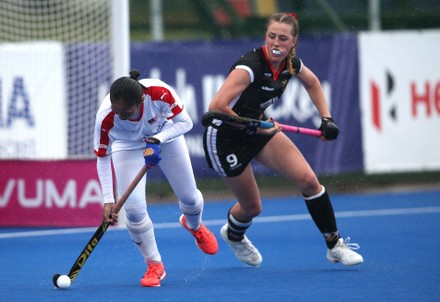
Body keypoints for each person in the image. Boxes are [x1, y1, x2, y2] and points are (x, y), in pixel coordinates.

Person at [202, 12, 363, 267]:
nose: (276, 43)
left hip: (258, 127)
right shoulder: (250, 67)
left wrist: (326, 118)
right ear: (265, 37)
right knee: (252, 208)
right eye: (271, 36)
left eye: (283, 38)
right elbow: (216, 106)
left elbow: (312, 83)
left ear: (293, 42)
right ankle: (234, 235)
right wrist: (256, 126)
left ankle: (335, 245)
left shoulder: (291, 65)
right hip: (225, 137)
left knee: (310, 181)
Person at [93, 70, 218, 287]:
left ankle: (195, 226)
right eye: (117, 111)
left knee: (189, 198)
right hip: (127, 146)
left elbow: (186, 123)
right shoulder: (105, 118)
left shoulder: (159, 93)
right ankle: (154, 264)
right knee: (133, 209)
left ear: (141, 100)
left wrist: (156, 139)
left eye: (126, 112)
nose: (121, 116)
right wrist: (108, 199)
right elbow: (103, 157)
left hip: (165, 136)